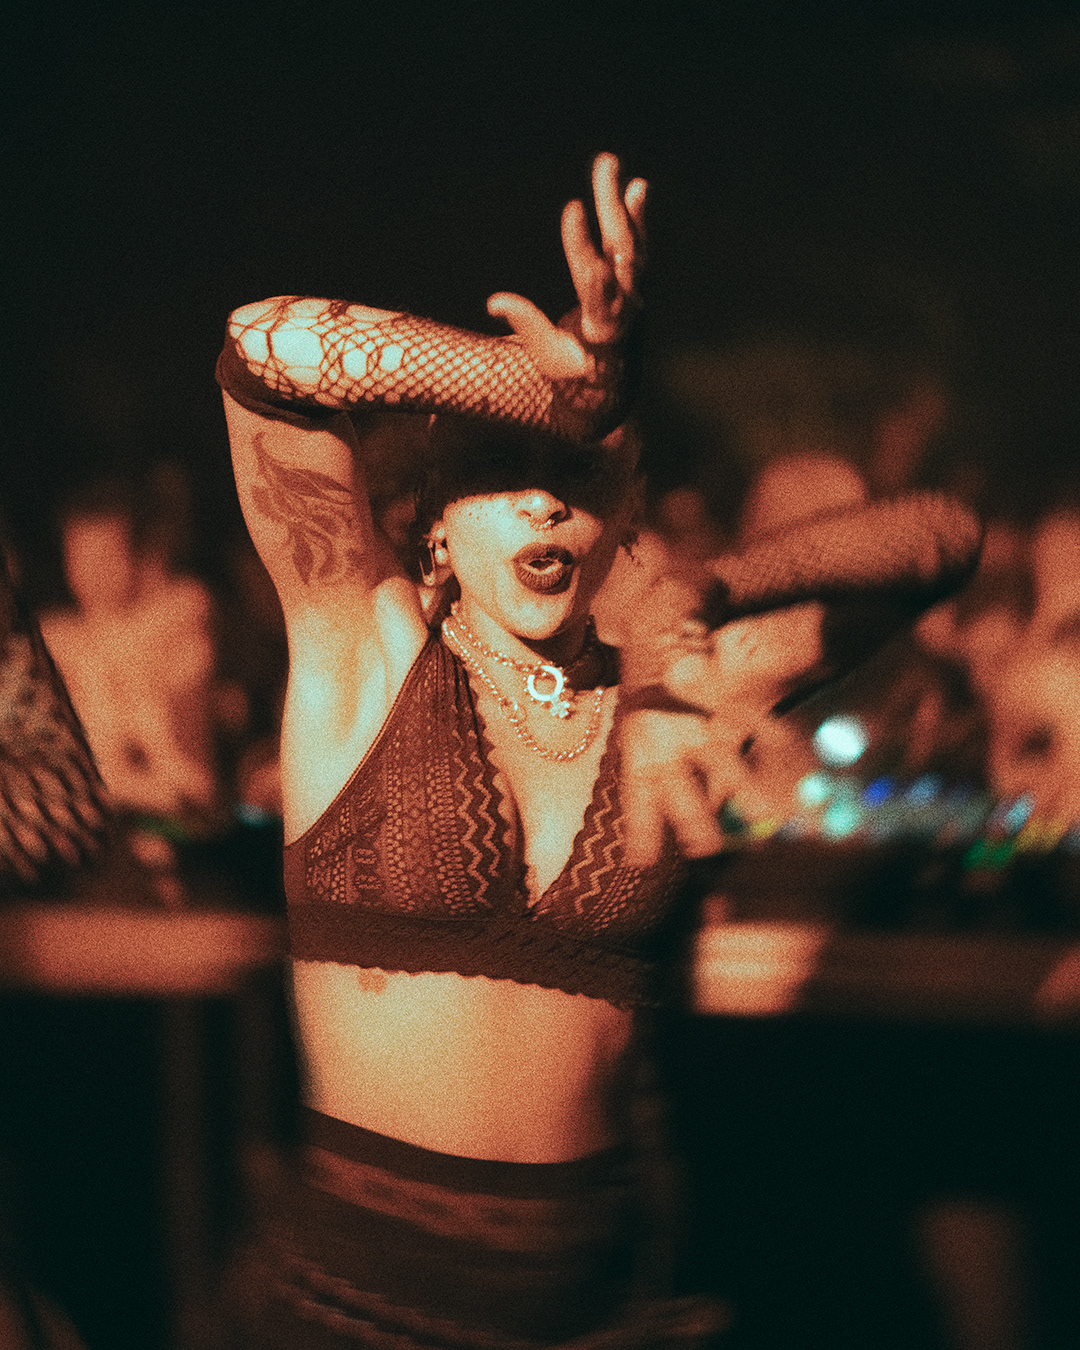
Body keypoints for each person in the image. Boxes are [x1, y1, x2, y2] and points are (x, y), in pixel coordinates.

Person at [217, 154, 729, 1348]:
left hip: (593, 1323)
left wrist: (684, 608)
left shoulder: (658, 696)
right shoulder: (367, 647)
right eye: (505, 473)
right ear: (435, 517)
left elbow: (937, 538)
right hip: (351, 1323)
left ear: (621, 514)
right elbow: (256, 350)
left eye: (576, 473)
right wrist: (529, 384)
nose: (545, 502)